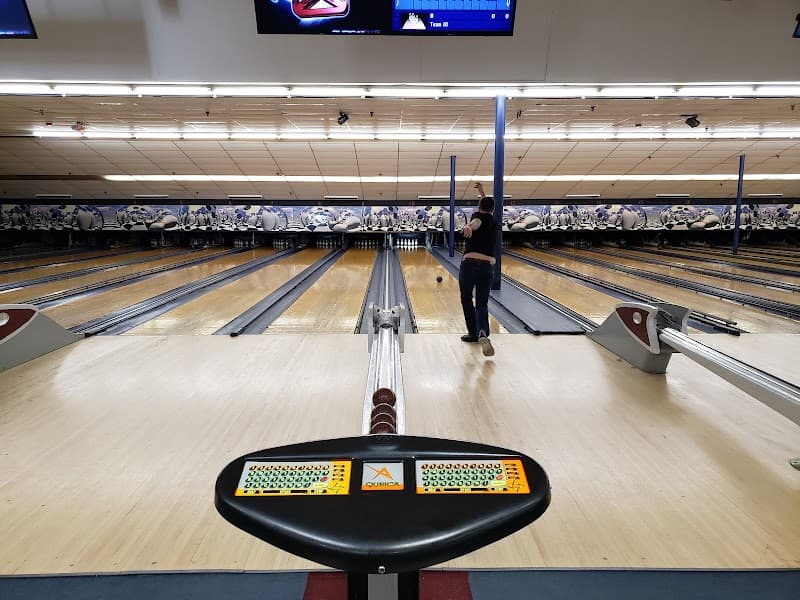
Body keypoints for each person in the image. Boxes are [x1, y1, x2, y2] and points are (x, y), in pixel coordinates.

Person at [459, 182, 497, 357]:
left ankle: (473, 333)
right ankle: (482, 332)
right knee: (482, 302)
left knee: (467, 298)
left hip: (470, 264)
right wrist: (483, 193)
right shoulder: (494, 221)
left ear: (479, 207)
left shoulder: (477, 217)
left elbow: (476, 222)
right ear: (492, 209)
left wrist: (468, 227)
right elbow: (487, 209)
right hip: (487, 267)